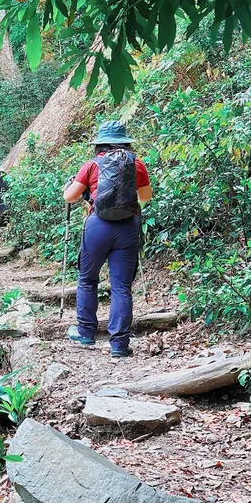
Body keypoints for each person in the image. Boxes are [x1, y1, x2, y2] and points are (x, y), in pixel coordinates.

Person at [62, 120, 152, 358]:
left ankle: (86, 333)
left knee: (87, 279)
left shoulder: (92, 165)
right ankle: (119, 346)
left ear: (100, 144)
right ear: (125, 142)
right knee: (121, 287)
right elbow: (145, 197)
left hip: (98, 227)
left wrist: (75, 189)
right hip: (127, 228)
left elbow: (70, 197)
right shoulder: (137, 163)